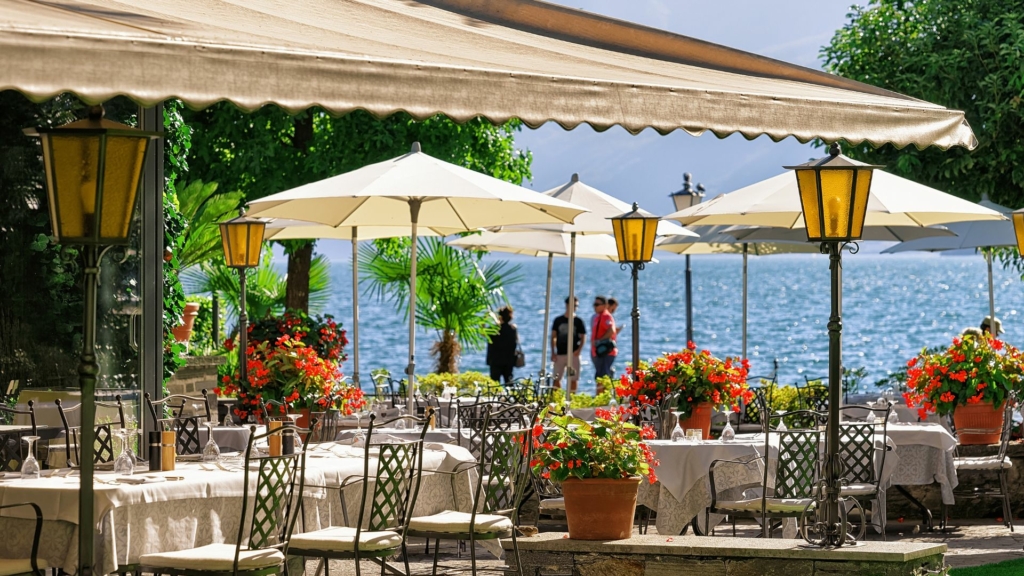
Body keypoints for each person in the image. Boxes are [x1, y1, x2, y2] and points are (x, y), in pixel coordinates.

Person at [551, 296, 586, 391]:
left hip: (574, 353)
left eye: (576, 306)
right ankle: (557, 399)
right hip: (560, 353)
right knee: (556, 378)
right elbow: (553, 336)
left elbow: (583, 337)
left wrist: (579, 350)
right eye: (573, 305)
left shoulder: (579, 321)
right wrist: (553, 352)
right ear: (567, 305)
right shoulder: (558, 320)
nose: (575, 307)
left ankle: (571, 400)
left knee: (573, 379)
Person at [486, 306, 518, 384]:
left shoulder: (494, 330)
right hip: (509, 360)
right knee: (509, 383)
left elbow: (483, 333)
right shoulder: (513, 329)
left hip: (495, 360)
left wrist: (484, 321)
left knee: (494, 385)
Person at [591, 296, 617, 383]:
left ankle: (603, 395)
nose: (595, 306)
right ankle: (601, 395)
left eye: (597, 304)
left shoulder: (606, 316)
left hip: (605, 351)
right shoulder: (599, 316)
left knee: (603, 377)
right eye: (594, 304)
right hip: (599, 352)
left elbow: (611, 330)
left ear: (605, 305)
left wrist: (599, 341)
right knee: (600, 376)